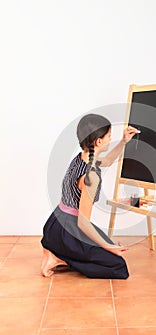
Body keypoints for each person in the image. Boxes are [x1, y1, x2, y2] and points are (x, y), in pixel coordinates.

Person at [41, 113, 138, 279]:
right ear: (98, 141)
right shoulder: (91, 177)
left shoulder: (82, 158)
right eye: (109, 136)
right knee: (118, 266)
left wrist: (123, 141)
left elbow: (106, 161)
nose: (110, 138)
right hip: (67, 232)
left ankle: (57, 250)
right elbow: (83, 223)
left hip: (55, 223)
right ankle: (58, 257)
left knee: (108, 247)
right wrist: (109, 247)